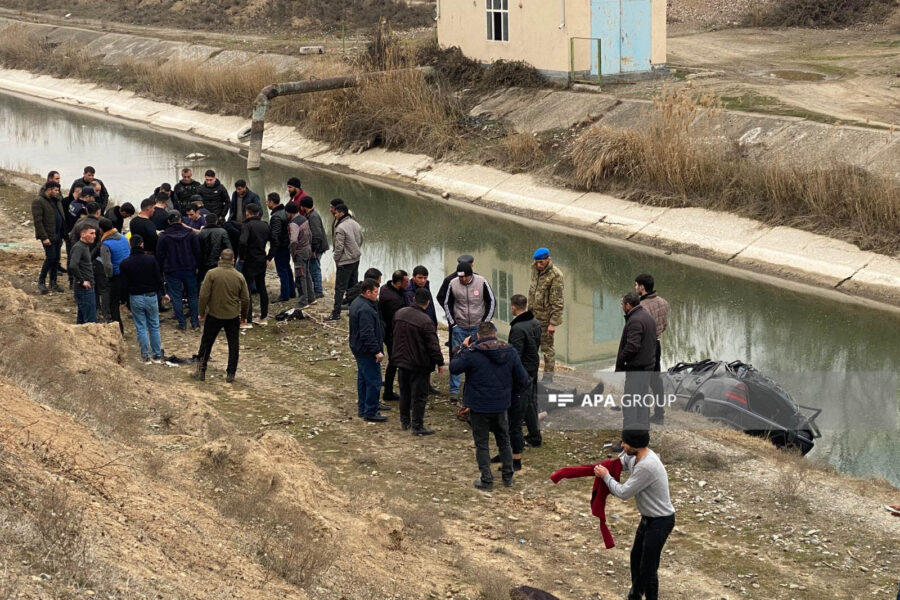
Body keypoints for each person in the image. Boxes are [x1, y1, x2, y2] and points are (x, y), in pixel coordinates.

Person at [594, 427, 675, 600]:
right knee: (636, 558)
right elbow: (620, 463)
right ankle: (635, 596)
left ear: (636, 445)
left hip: (660, 521)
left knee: (648, 567)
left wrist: (606, 477)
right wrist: (607, 467)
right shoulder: (633, 456)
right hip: (648, 519)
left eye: (625, 443)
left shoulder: (647, 465)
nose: (622, 445)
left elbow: (623, 492)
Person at [449, 321, 529, 491]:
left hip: (478, 406)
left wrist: (463, 348)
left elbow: (454, 368)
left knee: (482, 443)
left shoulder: (471, 352)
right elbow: (523, 379)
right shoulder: (510, 351)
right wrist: (510, 394)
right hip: (501, 404)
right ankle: (508, 477)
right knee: (504, 440)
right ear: (495, 334)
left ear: (478, 336)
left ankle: (486, 480)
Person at [392, 287, 445, 435]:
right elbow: (433, 345)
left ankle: (404, 421)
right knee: (419, 396)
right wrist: (440, 362)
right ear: (427, 303)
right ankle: (417, 425)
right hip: (419, 364)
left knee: (405, 392)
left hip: (401, 361)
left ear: (414, 299)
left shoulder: (400, 313)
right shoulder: (425, 321)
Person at [194, 249, 250, 383]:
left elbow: (203, 295)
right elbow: (246, 298)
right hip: (232, 316)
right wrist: (243, 316)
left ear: (220, 259)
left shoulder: (211, 274)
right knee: (233, 345)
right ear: (233, 260)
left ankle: (201, 370)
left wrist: (201, 313)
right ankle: (231, 373)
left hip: (214, 314)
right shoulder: (239, 276)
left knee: (207, 342)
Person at [443, 261, 496, 403]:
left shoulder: (482, 281)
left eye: (465, 277)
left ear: (470, 274)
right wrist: (452, 323)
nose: (463, 280)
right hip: (459, 326)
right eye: (461, 277)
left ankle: (480, 386)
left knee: (481, 356)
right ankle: (454, 390)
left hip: (478, 327)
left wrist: (485, 322)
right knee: (457, 356)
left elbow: (491, 301)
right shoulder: (453, 283)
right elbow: (447, 303)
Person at [119, 235, 166, 363]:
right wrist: (162, 293)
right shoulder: (151, 260)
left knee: (141, 327)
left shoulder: (125, 263)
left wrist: (124, 301)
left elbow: (124, 285)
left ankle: (145, 355)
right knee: (154, 326)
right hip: (151, 296)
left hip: (135, 297)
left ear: (130, 246)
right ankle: (156, 354)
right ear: (142, 244)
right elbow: (158, 278)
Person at [507, 294, 542, 458]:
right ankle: (535, 435)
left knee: (521, 404)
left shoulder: (518, 329)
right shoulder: (535, 323)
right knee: (531, 403)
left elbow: (515, 354)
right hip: (533, 366)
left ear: (514, 307)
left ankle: (519, 438)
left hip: (523, 371)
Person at [616, 292, 657, 430]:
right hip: (647, 368)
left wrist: (622, 359)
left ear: (628, 305)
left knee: (630, 405)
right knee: (642, 403)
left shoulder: (635, 320)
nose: (621, 306)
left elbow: (632, 346)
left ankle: (628, 440)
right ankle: (642, 435)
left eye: (622, 304)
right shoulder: (647, 317)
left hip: (637, 370)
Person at [349, 279, 387, 423]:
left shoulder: (357, 303)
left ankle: (363, 408)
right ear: (368, 292)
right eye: (375, 292)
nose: (377, 295)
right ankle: (370, 411)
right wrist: (377, 351)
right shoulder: (365, 309)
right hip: (366, 351)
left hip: (358, 348)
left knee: (363, 379)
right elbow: (367, 333)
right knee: (374, 381)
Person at [156, 212, 201, 331]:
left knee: (176, 296)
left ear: (169, 222)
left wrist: (160, 270)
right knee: (192, 295)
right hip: (189, 268)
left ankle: (181, 323)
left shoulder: (164, 236)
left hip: (171, 269)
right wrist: (197, 266)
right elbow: (197, 251)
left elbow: (160, 255)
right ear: (181, 220)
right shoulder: (190, 234)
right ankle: (195, 322)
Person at [635, 274, 670, 425]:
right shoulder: (663, 302)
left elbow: (639, 330)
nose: (635, 288)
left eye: (636, 285)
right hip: (657, 344)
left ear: (642, 287)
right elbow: (665, 325)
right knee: (656, 380)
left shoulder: (641, 307)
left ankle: (643, 413)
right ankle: (659, 413)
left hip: (645, 347)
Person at [528, 247, 564, 382]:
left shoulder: (556, 275)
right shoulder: (535, 270)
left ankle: (548, 378)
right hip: (532, 316)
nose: (538, 265)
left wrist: (553, 323)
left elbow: (558, 301)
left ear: (548, 259)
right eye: (537, 262)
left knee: (547, 349)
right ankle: (532, 376)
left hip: (546, 319)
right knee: (531, 348)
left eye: (541, 262)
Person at [406, 265, 440, 395]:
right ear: (414, 277)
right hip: (418, 328)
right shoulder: (409, 292)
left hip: (430, 324)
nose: (422, 280)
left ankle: (427, 384)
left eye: (425, 278)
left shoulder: (426, 287)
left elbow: (430, 307)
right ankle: (416, 386)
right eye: (420, 278)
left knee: (429, 357)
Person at [325, 203, 362, 322]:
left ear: (342, 213)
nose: (334, 215)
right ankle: (354, 311)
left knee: (340, 288)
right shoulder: (355, 224)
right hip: (355, 259)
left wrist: (336, 259)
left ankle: (335, 313)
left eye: (336, 213)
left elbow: (339, 247)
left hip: (345, 261)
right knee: (353, 286)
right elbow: (361, 239)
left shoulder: (340, 227)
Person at [31, 180, 67, 295]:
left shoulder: (56, 201)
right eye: (56, 190)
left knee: (56, 259)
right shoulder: (38, 201)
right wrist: (44, 237)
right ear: (49, 189)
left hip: (57, 235)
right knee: (50, 257)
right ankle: (41, 281)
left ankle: (53, 282)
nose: (57, 193)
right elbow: (38, 222)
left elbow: (60, 216)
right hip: (48, 236)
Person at [379, 269, 409, 402]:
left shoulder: (386, 288)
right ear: (398, 283)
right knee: (395, 361)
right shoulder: (394, 300)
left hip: (389, 332)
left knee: (394, 361)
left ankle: (389, 389)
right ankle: (388, 391)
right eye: (406, 282)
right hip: (392, 334)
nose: (408, 284)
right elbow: (397, 320)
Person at [238, 203, 270, 327]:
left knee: (247, 289)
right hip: (261, 259)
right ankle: (264, 316)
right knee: (262, 287)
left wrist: (242, 256)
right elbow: (275, 241)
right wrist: (269, 256)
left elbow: (242, 241)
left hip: (250, 260)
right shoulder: (265, 225)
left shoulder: (247, 225)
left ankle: (247, 319)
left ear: (247, 212)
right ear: (258, 213)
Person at [436, 253, 474, 349]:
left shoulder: (478, 279)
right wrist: (451, 310)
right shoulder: (450, 280)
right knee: (455, 344)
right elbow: (441, 297)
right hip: (455, 318)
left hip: (473, 319)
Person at [99, 217, 130, 334]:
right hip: (127, 274)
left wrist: (108, 276)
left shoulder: (105, 244)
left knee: (113, 305)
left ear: (101, 230)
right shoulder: (123, 238)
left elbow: (107, 265)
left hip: (116, 277)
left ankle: (119, 331)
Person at [266, 192, 295, 303]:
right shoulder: (284, 212)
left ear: (272, 202)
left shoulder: (276, 217)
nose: (267, 203)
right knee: (287, 268)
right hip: (287, 245)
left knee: (282, 271)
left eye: (267, 201)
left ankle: (284, 295)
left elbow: (275, 236)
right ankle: (291, 292)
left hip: (281, 247)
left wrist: (270, 254)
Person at [285, 202, 314, 308]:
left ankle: (303, 301)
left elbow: (293, 240)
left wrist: (293, 253)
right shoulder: (304, 218)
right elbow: (310, 234)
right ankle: (311, 298)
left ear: (288, 212)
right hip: (308, 249)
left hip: (300, 252)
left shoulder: (293, 224)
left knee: (300, 276)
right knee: (307, 274)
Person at [68, 226, 97, 324]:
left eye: (95, 233)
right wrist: (82, 281)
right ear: (83, 234)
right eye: (91, 233)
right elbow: (72, 265)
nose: (94, 236)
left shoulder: (84, 246)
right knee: (91, 321)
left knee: (82, 320)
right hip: (84, 289)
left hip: (87, 287)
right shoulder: (79, 247)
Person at [300, 196, 327, 299]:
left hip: (316, 249)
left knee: (315, 269)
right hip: (316, 248)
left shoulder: (313, 217)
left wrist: (313, 250)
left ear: (303, 207)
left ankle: (318, 291)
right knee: (313, 268)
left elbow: (317, 235)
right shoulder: (311, 215)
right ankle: (316, 289)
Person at [198, 217, 231, 282]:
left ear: (206, 222)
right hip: (219, 262)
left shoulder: (202, 233)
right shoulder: (222, 231)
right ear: (216, 221)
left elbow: (198, 249)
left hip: (205, 263)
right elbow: (228, 247)